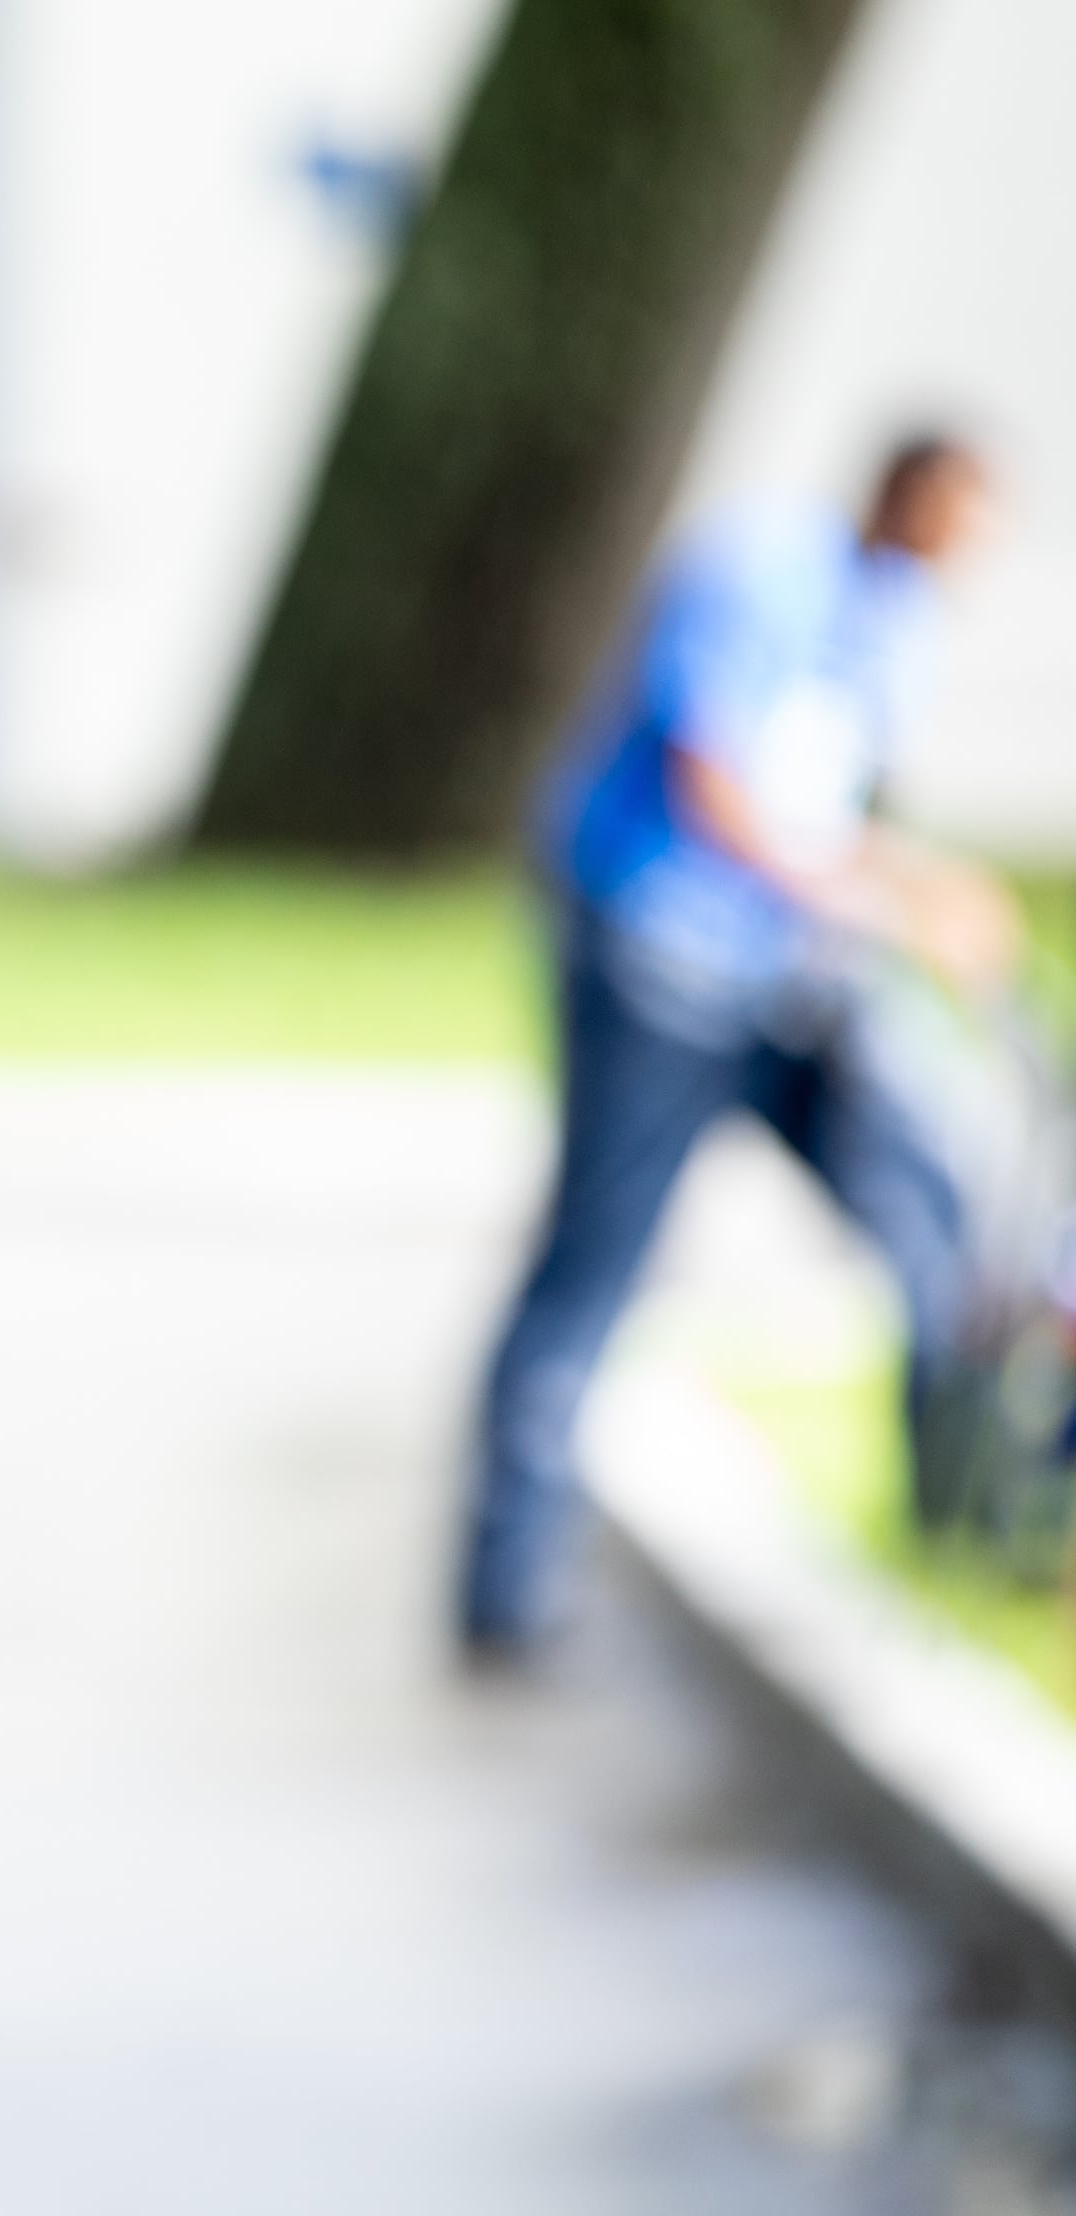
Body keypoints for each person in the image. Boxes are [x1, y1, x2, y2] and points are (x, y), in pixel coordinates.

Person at [461, 433, 1018, 1656]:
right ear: (912, 488)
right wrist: (863, 900)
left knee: (929, 1202)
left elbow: (841, 805)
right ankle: (505, 1588)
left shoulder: (895, 618)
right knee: (601, 1255)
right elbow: (712, 781)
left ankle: (962, 1519)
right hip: (662, 958)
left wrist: (929, 892)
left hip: (791, 977)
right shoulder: (758, 567)